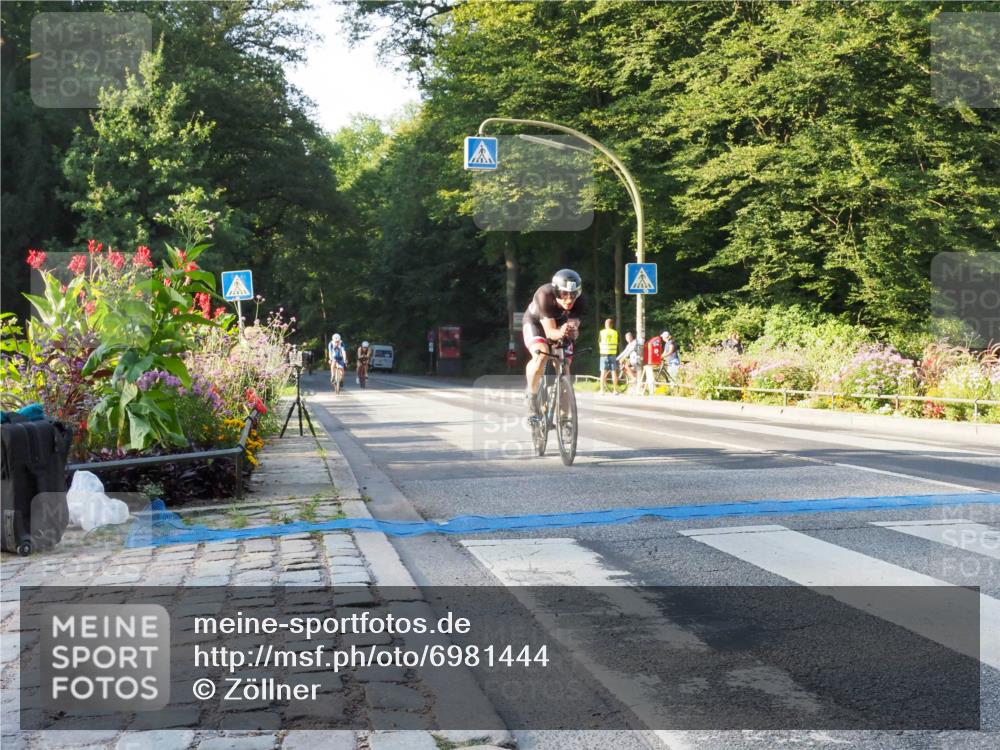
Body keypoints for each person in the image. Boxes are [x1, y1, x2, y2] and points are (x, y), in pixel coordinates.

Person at [523, 268, 587, 418]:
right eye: (564, 294)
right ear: (556, 292)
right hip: (536, 324)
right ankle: (532, 397)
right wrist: (563, 332)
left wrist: (573, 332)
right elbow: (550, 333)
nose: (569, 300)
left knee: (564, 366)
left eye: (573, 295)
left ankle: (565, 417)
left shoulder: (581, 301)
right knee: (541, 352)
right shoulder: (544, 295)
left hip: (560, 326)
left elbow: (573, 327)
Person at [598, 318, 619, 394]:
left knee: (603, 372)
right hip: (613, 354)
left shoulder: (602, 332)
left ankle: (602, 390)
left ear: (605, 324)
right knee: (614, 372)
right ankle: (615, 390)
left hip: (604, 354)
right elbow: (617, 342)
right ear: (612, 325)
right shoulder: (615, 333)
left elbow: (599, 342)